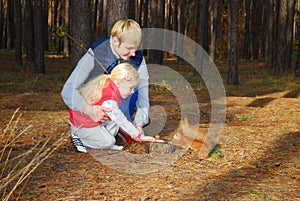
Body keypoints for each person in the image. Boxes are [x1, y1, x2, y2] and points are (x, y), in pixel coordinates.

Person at [61, 19, 150, 152]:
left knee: (133, 85)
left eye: (135, 48)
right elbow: (68, 90)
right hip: (91, 108)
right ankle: (83, 132)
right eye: (129, 48)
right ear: (115, 41)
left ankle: (121, 126)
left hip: (115, 109)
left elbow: (143, 96)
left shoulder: (138, 59)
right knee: (107, 139)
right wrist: (87, 109)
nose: (133, 54)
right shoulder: (96, 52)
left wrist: (139, 123)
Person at [69, 63, 154, 151]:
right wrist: (138, 136)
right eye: (131, 88)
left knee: (115, 122)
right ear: (119, 82)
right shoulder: (109, 97)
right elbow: (121, 120)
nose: (132, 92)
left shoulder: (109, 86)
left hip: (94, 122)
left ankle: (101, 142)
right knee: (109, 141)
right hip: (83, 125)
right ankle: (79, 137)